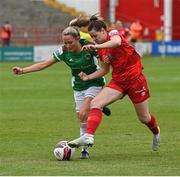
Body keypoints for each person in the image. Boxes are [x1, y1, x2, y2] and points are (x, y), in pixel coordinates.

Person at [12, 26, 111, 159]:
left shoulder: (89, 47)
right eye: (65, 42)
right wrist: (23, 70)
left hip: (95, 82)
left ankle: (84, 150)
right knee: (81, 118)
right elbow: (43, 64)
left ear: (78, 39)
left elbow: (106, 56)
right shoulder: (63, 52)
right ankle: (98, 104)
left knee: (83, 112)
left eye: (70, 42)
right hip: (78, 85)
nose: (67, 45)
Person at [68, 15, 160, 152]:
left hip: (135, 80)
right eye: (92, 37)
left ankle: (156, 132)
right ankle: (89, 136)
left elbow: (116, 42)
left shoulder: (113, 33)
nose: (94, 39)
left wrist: (97, 45)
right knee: (95, 104)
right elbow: (105, 70)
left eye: (95, 35)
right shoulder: (100, 48)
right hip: (119, 82)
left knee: (144, 118)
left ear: (104, 31)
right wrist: (88, 77)